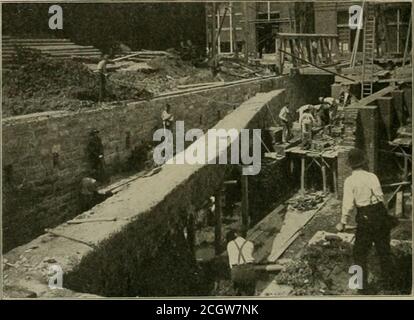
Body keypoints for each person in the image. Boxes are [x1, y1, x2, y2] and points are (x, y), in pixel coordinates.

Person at [336, 148, 394, 293]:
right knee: (384, 250)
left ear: (350, 165)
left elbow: (348, 205)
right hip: (379, 214)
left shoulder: (350, 181)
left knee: (359, 253)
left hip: (365, 217)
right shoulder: (372, 176)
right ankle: (389, 283)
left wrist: (343, 222)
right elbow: (380, 197)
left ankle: (361, 287)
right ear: (363, 162)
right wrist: (382, 215)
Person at [226, 230, 256, 296]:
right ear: (246, 234)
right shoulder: (250, 244)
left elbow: (230, 259)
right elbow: (250, 254)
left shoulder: (230, 244)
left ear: (235, 234)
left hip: (236, 269)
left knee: (237, 293)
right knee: (249, 294)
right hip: (248, 269)